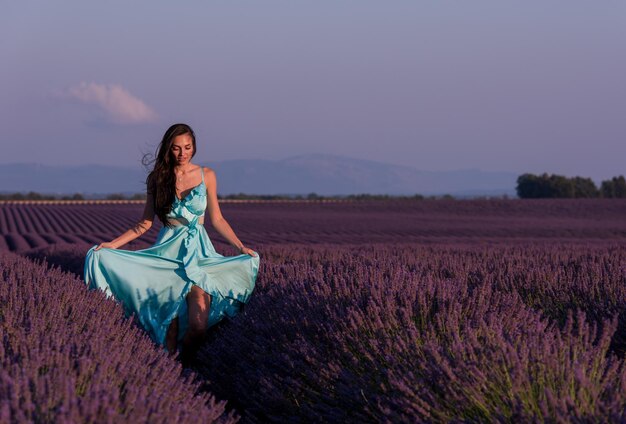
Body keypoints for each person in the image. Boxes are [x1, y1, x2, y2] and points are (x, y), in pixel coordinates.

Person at [84, 123, 259, 366]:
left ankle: (186, 365)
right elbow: (144, 223)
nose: (182, 153)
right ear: (169, 149)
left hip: (199, 255)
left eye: (187, 147)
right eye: (177, 148)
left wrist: (241, 247)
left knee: (198, 325)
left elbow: (217, 219)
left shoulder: (207, 175)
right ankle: (175, 376)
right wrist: (112, 245)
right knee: (169, 330)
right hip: (167, 256)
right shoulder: (157, 179)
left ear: (194, 147)